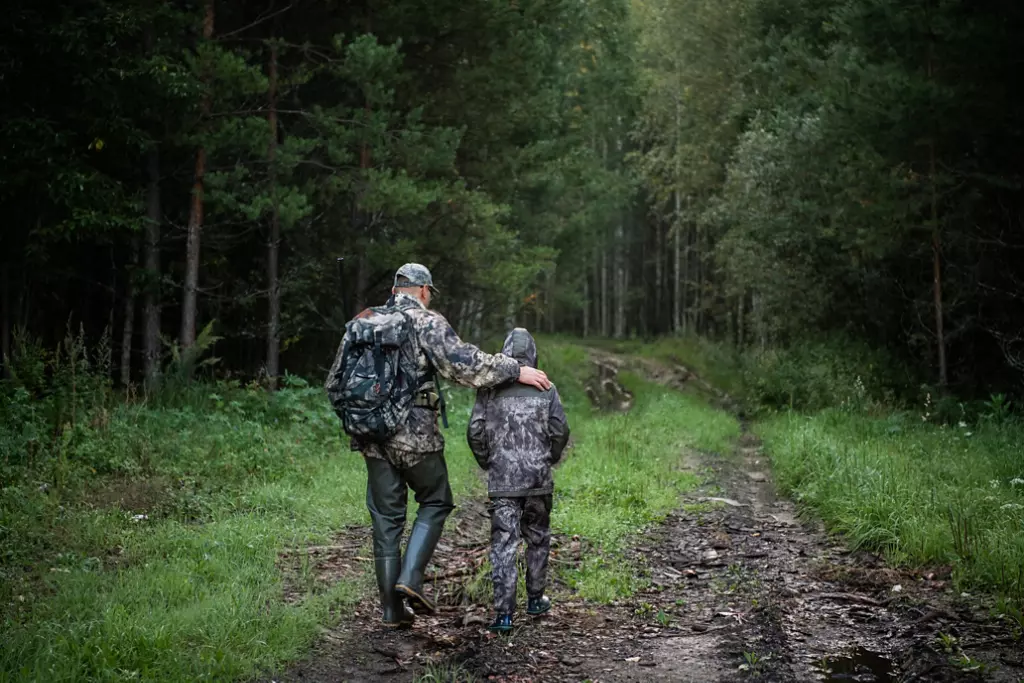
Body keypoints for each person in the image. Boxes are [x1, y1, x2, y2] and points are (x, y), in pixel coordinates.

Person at [332, 264, 552, 628]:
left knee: (386, 520)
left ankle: (392, 611)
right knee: (436, 500)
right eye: (429, 292)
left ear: (394, 289)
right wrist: (515, 369)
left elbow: (334, 383)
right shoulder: (427, 322)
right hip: (415, 436)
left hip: (371, 439)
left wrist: (361, 421)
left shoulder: (363, 322)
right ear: (422, 291)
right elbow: (465, 365)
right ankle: (411, 578)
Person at [467, 328, 570, 633]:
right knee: (537, 537)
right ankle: (536, 599)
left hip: (503, 482)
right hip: (538, 479)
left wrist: (488, 460)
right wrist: (548, 457)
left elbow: (475, 431)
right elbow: (560, 429)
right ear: (533, 354)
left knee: (504, 543)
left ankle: (504, 615)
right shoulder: (545, 387)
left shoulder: (489, 390)